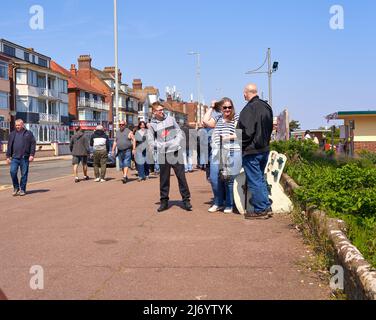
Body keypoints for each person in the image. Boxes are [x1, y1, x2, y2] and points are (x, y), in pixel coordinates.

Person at [147, 101, 192, 212]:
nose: (162, 112)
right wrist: (161, 145)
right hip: (163, 154)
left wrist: (176, 142)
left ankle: (186, 200)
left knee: (181, 177)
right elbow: (151, 141)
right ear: (154, 112)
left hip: (175, 151)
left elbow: (179, 133)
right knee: (164, 179)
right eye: (159, 110)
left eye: (162, 109)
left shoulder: (171, 119)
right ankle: (164, 202)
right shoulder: (152, 125)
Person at [237, 84, 273, 220]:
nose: (244, 96)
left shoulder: (248, 109)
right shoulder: (267, 107)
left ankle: (261, 209)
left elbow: (245, 132)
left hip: (252, 150)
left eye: (244, 93)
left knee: (255, 180)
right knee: (260, 178)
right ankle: (266, 206)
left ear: (246, 93)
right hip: (264, 148)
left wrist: (242, 145)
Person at [207, 98, 242, 214]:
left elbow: (240, 134)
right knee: (213, 178)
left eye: (229, 107)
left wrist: (226, 138)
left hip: (231, 150)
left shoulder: (236, 118)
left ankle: (229, 204)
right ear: (221, 108)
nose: (227, 109)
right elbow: (205, 121)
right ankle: (218, 202)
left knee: (228, 179)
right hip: (217, 151)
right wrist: (211, 107)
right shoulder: (217, 118)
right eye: (225, 107)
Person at [6, 119, 36, 196]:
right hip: (15, 158)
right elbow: (9, 146)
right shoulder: (12, 134)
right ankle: (16, 188)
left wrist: (32, 155)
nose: (17, 127)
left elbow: (33, 144)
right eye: (16, 125)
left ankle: (22, 189)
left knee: (24, 174)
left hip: (24, 158)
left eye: (19, 125)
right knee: (12, 172)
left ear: (22, 125)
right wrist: (8, 156)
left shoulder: (28, 133)